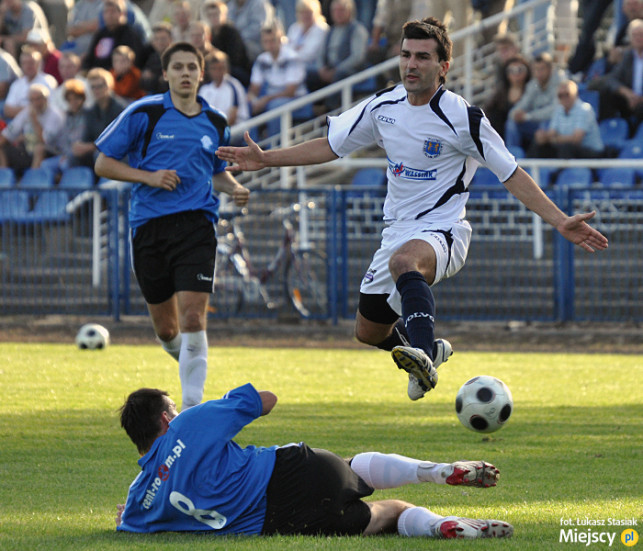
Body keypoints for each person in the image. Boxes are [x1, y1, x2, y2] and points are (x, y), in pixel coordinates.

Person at [216, 17, 609, 401]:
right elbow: (331, 145)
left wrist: (560, 220)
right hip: (396, 233)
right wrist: (267, 159)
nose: (411, 64)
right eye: (406, 55)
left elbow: (511, 172)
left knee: (406, 261)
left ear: (443, 67)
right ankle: (428, 353)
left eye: (422, 57)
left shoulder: (463, 117)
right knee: (367, 331)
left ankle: (422, 350)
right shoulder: (383, 106)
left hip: (445, 231)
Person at [116, 382, 513, 539]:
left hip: (282, 524)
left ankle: (443, 526)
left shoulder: (137, 503)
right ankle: (434, 472)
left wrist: (129, 514)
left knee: (387, 514)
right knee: (351, 466)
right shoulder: (186, 425)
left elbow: (128, 522)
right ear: (167, 418)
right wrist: (213, 411)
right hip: (293, 471)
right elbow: (266, 400)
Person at [94, 42, 250, 411]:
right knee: (167, 331)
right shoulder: (144, 113)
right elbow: (103, 163)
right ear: (165, 74)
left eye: (191, 67)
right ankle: (192, 367)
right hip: (149, 227)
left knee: (194, 316)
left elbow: (214, 172)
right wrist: (148, 177)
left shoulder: (216, 122)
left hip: (197, 226)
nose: (185, 74)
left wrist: (236, 187)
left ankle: (193, 407)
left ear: (201, 73)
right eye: (177, 67)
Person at [248, 20, 307, 136]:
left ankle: (272, 149)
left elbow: (290, 91)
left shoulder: (292, 58)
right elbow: (254, 88)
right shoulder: (261, 60)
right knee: (246, 106)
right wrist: (252, 98)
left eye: (273, 40)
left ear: (280, 39)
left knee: (275, 106)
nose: (270, 44)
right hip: (272, 98)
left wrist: (266, 99)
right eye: (266, 41)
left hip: (297, 99)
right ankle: (252, 145)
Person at [527, 79, 604, 159]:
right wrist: (543, 136)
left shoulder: (584, 109)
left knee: (566, 147)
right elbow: (551, 133)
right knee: (538, 143)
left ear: (576, 94)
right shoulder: (559, 109)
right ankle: (526, 168)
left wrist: (554, 139)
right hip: (570, 150)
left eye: (567, 94)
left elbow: (576, 140)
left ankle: (561, 171)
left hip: (592, 153)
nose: (564, 98)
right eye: (560, 95)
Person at [505, 52, 565, 151]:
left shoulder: (560, 82)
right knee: (511, 123)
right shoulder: (533, 84)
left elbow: (555, 110)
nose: (539, 73)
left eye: (542, 69)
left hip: (555, 125)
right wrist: (515, 114)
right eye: (536, 69)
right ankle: (512, 158)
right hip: (536, 123)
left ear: (550, 69)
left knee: (544, 126)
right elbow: (522, 105)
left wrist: (527, 116)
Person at [305, 0, 368, 94]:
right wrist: (321, 69)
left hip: (349, 71)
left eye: (341, 10)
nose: (338, 14)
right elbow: (321, 54)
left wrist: (337, 70)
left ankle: (330, 106)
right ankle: (315, 106)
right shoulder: (330, 31)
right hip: (329, 69)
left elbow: (357, 57)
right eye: (335, 11)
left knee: (340, 75)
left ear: (350, 11)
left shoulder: (357, 30)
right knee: (308, 74)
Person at [0, 82, 63, 175]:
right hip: (28, 150)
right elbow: (9, 133)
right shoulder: (27, 111)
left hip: (52, 152)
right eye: (32, 100)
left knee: (39, 148)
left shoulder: (55, 115)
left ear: (46, 99)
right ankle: (3, 179)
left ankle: (34, 180)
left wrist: (35, 120)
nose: (35, 103)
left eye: (38, 99)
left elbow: (44, 140)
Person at [69, 67, 126, 168]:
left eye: (99, 86)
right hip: (97, 154)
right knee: (72, 157)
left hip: (120, 155)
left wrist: (91, 147)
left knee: (99, 156)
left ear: (109, 86)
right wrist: (80, 146)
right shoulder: (90, 111)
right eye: (92, 87)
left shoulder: (120, 109)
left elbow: (118, 140)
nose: (96, 90)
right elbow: (87, 138)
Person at [597, 18, 643, 126]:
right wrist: (627, 94)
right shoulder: (628, 56)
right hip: (631, 98)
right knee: (606, 91)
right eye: (634, 35)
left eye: (640, 35)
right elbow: (612, 79)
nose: (638, 38)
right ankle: (607, 129)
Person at [40, 78, 88, 177]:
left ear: (82, 99)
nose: (73, 102)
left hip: (82, 156)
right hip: (65, 154)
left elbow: (79, 140)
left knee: (65, 164)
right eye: (70, 100)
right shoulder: (65, 117)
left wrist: (68, 155)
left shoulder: (88, 116)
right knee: (45, 165)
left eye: (76, 99)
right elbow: (62, 140)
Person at [82, 0, 144, 71]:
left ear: (122, 14)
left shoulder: (130, 35)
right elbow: (90, 58)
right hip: (96, 73)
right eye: (106, 12)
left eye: (113, 12)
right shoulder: (100, 34)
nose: (109, 15)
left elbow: (134, 61)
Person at [202, 0, 251, 87]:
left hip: (236, 70)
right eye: (210, 15)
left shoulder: (231, 32)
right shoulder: (209, 33)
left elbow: (235, 59)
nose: (214, 18)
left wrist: (215, 52)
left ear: (224, 15)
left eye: (216, 14)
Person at [483, 55, 531, 139]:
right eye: (511, 70)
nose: (516, 74)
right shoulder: (499, 94)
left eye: (520, 70)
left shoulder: (532, 92)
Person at [3, 46, 57, 119]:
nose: (28, 66)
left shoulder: (48, 81)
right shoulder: (16, 84)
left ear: (39, 63)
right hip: (20, 122)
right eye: (24, 63)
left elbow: (49, 108)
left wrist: (21, 110)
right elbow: (7, 110)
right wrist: (31, 109)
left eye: (31, 62)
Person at [199, 50, 249, 127]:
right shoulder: (204, 90)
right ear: (208, 70)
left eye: (220, 68)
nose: (217, 72)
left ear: (226, 68)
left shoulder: (234, 85)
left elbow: (232, 118)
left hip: (236, 127)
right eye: (214, 68)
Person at [287, 0, 329, 72]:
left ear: (317, 12)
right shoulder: (294, 28)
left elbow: (309, 54)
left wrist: (295, 49)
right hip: (293, 67)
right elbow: (285, 49)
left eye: (309, 12)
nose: (305, 15)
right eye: (302, 12)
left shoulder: (322, 29)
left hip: (313, 67)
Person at [139, 22, 172, 95]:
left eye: (163, 39)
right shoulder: (153, 58)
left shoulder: (176, 58)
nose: (160, 42)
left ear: (171, 40)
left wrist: (153, 78)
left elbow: (167, 86)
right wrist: (159, 79)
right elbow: (143, 84)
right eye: (156, 39)